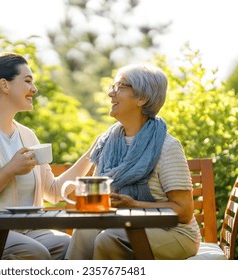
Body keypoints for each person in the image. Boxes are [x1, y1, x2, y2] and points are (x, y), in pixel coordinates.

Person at [0, 52, 94, 260]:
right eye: (27, 81)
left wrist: (92, 153)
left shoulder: (27, 135)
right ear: (5, 85)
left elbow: (54, 191)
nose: (34, 89)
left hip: (21, 232)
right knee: (35, 252)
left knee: (70, 245)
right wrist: (10, 170)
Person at [65, 63, 201, 260]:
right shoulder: (108, 142)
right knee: (84, 231)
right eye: (113, 87)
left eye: (120, 87)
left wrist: (134, 205)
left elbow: (184, 212)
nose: (111, 94)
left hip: (175, 233)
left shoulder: (167, 146)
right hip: (125, 225)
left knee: (109, 239)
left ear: (142, 98)